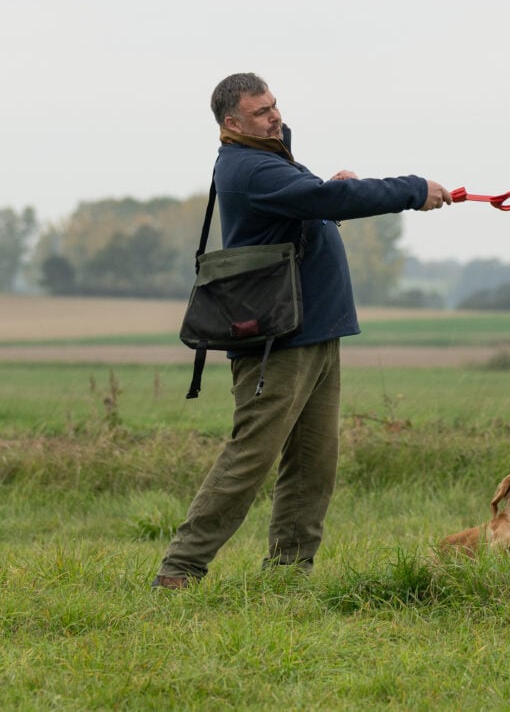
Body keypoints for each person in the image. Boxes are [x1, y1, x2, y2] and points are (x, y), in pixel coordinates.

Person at [152, 72, 451, 588]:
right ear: (232, 122)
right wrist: (412, 190)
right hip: (278, 341)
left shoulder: (270, 154)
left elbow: (310, 203)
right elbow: (319, 203)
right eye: (261, 112)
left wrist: (327, 191)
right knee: (251, 456)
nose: (275, 117)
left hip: (314, 328)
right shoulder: (248, 167)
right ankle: (180, 569)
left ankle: (289, 573)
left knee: (314, 462)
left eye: (274, 106)